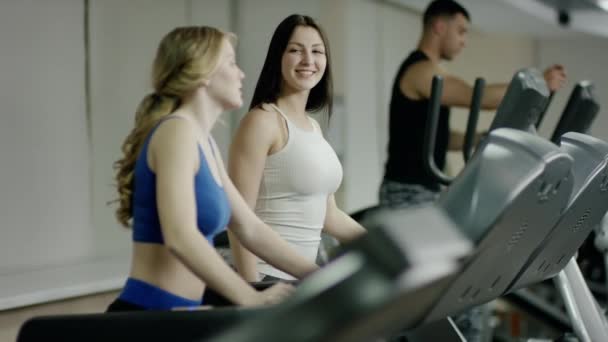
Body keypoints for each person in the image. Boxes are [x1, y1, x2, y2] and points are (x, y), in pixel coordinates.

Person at [107, 26, 319, 312]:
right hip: (148, 315)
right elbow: (181, 237)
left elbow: (250, 228)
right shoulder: (176, 133)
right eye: (231, 62)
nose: (241, 74)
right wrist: (249, 296)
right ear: (203, 72)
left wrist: (321, 277)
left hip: (183, 312)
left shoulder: (202, 140)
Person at [380, 0, 567, 209]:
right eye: (460, 31)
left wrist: (480, 138)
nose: (464, 41)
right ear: (439, 27)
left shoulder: (432, 72)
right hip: (407, 193)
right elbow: (476, 97)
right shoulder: (421, 71)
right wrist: (538, 82)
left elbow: (439, 138)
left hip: (425, 190)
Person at [227, 14, 366, 282]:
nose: (308, 61)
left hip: (302, 278)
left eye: (317, 51)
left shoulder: (312, 127)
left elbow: (329, 215)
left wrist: (382, 243)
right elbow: (238, 219)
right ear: (278, 58)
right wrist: (250, 287)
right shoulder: (262, 121)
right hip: (267, 275)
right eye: (295, 50)